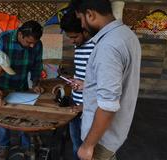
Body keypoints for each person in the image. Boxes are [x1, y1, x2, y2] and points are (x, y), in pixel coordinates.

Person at [70, 0, 141, 160]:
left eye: (81, 19)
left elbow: (108, 106)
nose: (82, 24)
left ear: (90, 14)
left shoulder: (108, 46)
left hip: (100, 140)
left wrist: (88, 145)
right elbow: (117, 83)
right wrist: (88, 86)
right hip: (114, 133)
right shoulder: (127, 35)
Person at [0, 20, 44, 160]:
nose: (32, 46)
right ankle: (4, 146)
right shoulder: (3, 39)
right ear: (20, 34)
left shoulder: (36, 44)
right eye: (29, 42)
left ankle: (26, 147)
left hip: (21, 86)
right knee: (2, 117)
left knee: (24, 115)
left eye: (34, 43)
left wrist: (36, 82)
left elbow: (37, 66)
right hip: (3, 86)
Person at [60, 10, 95, 160]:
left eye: (74, 37)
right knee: (76, 144)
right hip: (75, 101)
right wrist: (72, 81)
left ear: (85, 30)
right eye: (70, 37)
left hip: (91, 106)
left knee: (88, 148)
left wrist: (86, 88)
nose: (72, 41)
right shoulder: (78, 46)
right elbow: (81, 73)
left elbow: (106, 84)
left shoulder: (98, 47)